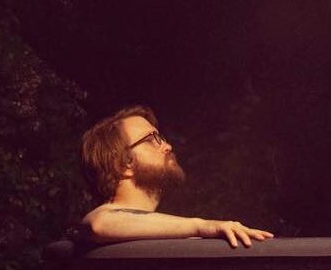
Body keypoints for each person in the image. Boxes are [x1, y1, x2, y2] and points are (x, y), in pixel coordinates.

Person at [76, 105, 275, 248]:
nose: (167, 146)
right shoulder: (101, 222)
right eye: (151, 140)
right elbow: (99, 222)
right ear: (122, 164)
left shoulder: (157, 231)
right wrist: (203, 226)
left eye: (160, 137)